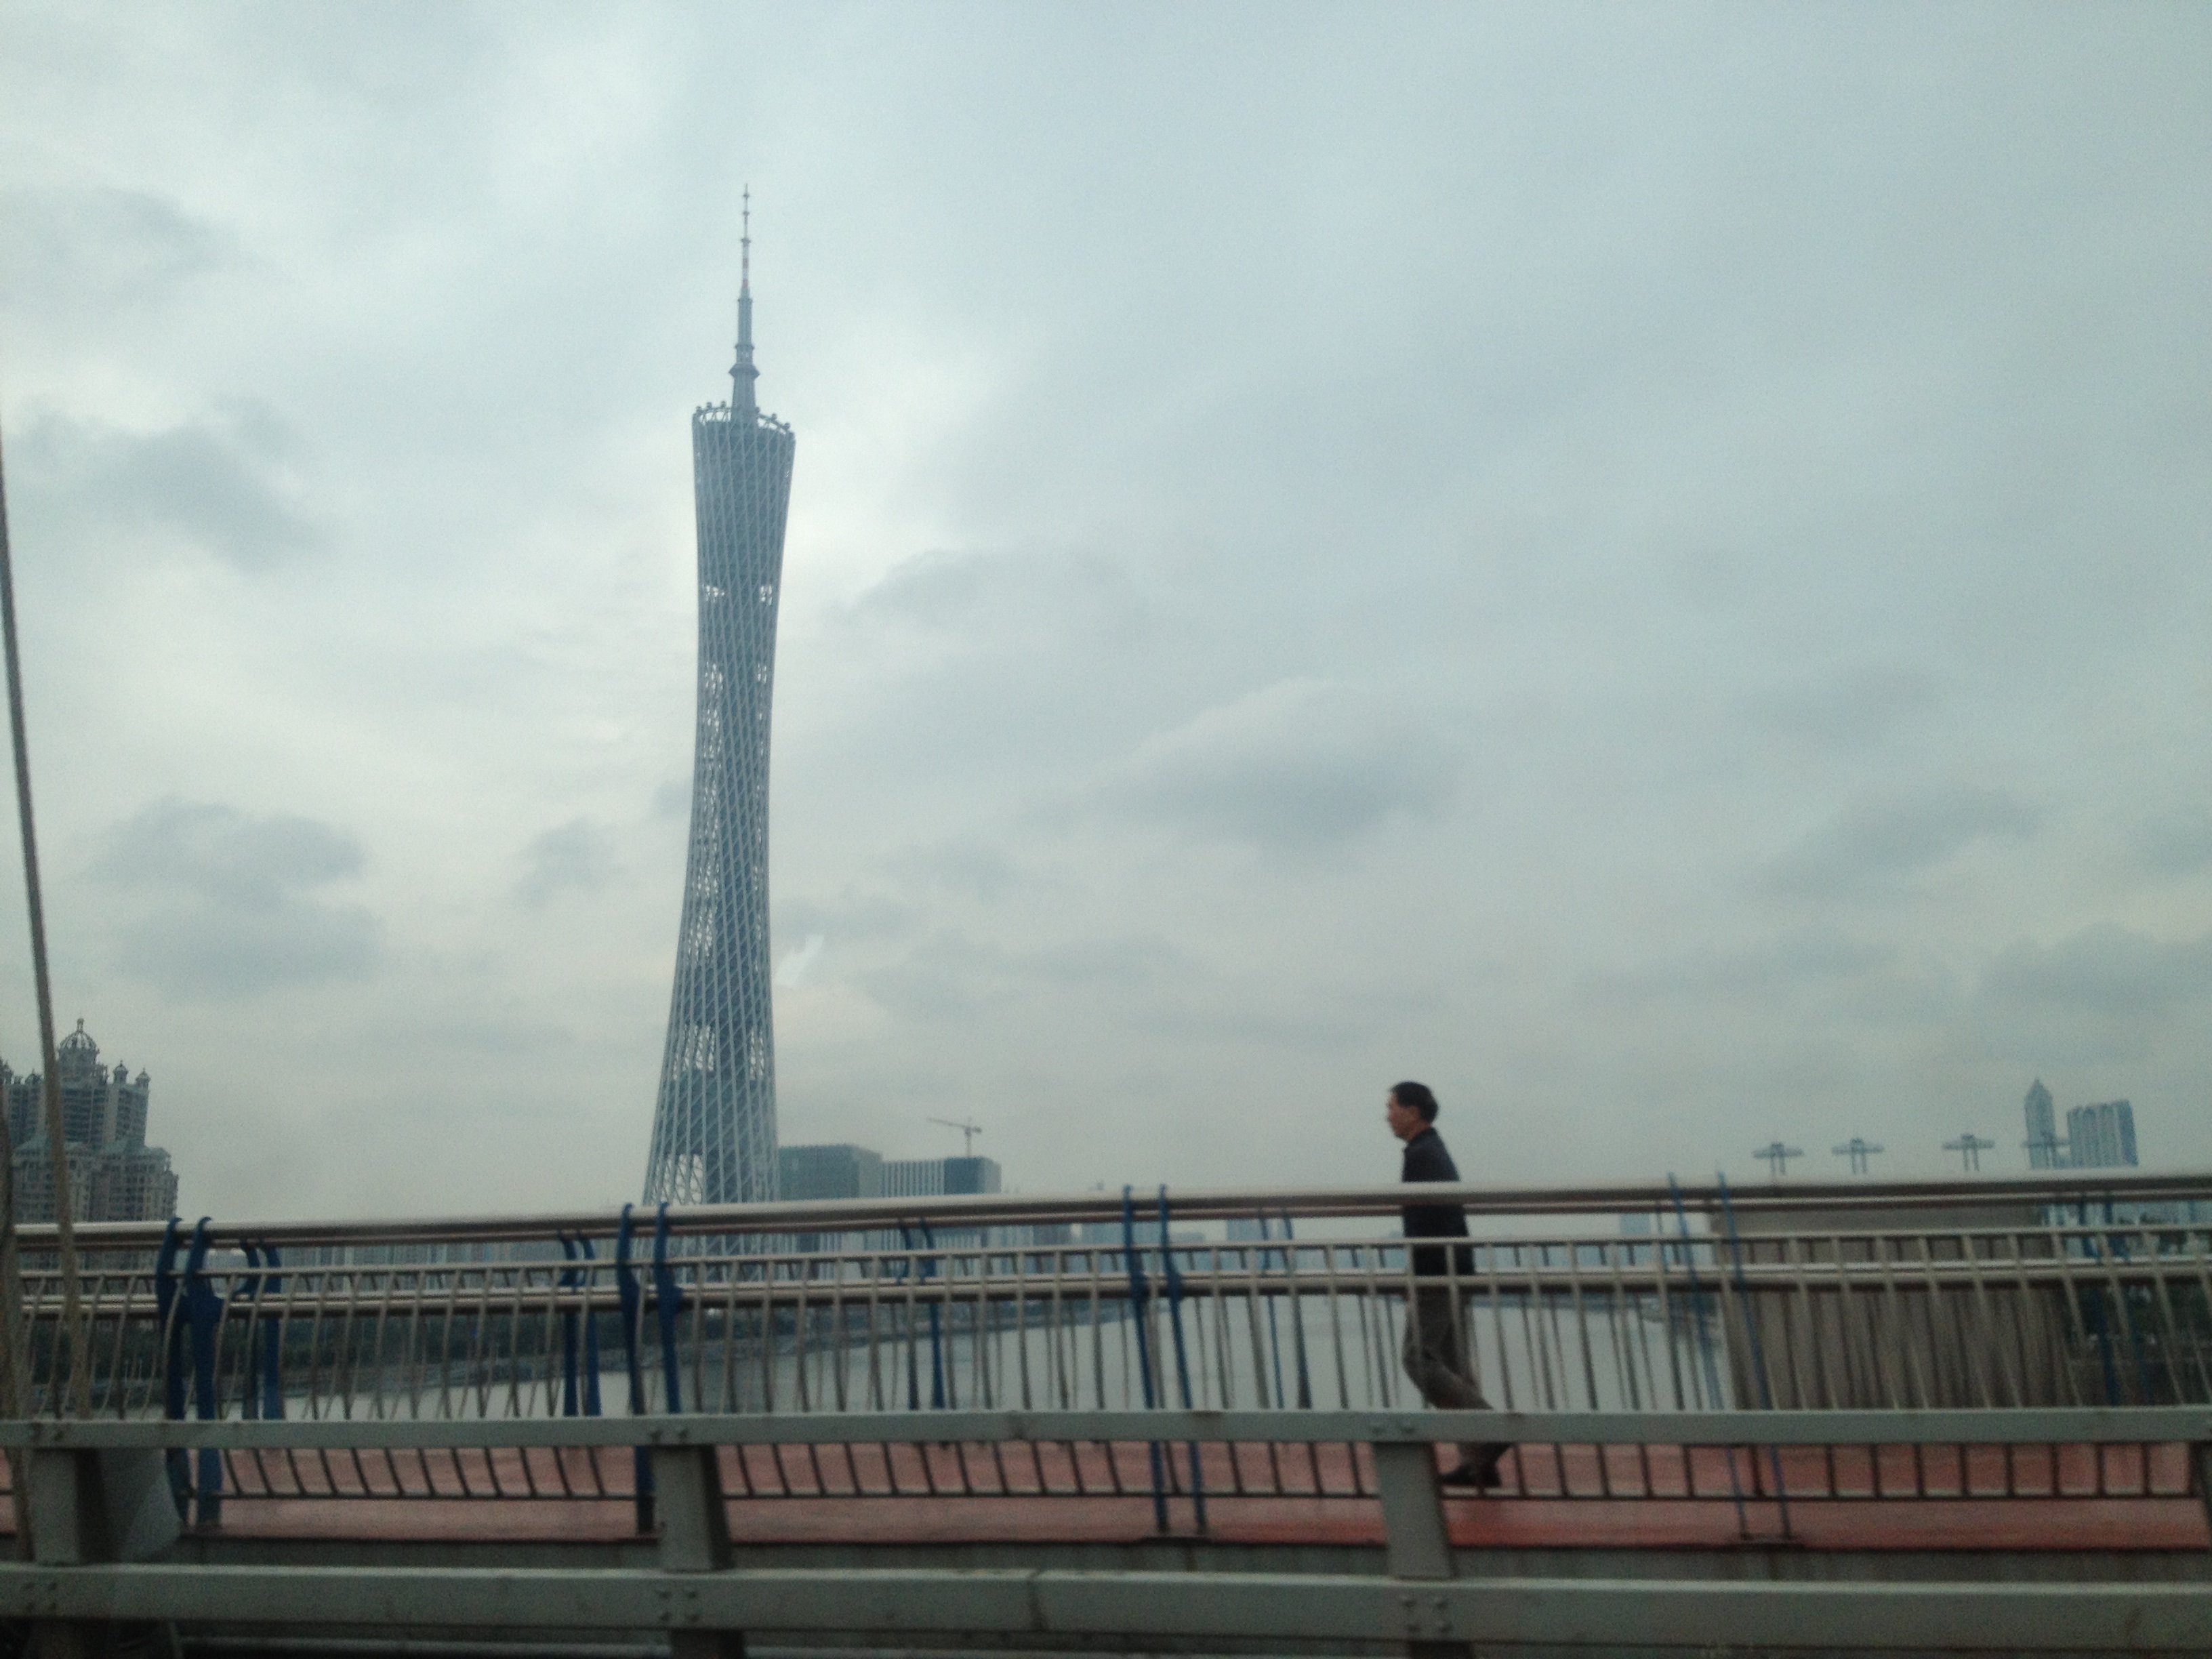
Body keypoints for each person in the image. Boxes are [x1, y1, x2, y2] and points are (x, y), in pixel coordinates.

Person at [1387, 1080, 1510, 1488]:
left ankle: (1489, 1430)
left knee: (1417, 1357)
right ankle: (1479, 1464)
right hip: (1455, 1266)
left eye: (1392, 1107)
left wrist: (1417, 1276)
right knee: (1452, 1364)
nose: (1387, 1116)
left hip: (1439, 1271)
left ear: (1413, 1112)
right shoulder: (1431, 1150)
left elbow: (1424, 1224)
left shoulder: (1421, 1155)